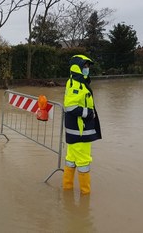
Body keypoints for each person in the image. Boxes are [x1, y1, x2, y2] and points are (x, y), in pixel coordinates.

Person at [62, 55, 102, 195]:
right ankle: (85, 195)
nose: (87, 69)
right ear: (77, 68)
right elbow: (70, 107)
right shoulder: (77, 85)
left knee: (71, 160)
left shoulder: (74, 82)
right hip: (80, 132)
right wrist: (89, 113)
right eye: (84, 66)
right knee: (84, 163)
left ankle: (67, 190)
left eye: (88, 66)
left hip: (75, 132)